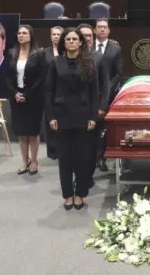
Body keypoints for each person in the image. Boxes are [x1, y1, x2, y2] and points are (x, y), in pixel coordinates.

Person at [45, 28, 99, 210]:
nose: (71, 42)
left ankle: (81, 193)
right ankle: (68, 194)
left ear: (81, 42)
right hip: (62, 117)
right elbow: (49, 91)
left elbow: (94, 92)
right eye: (67, 39)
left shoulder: (89, 63)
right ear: (63, 42)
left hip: (84, 117)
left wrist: (93, 116)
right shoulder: (55, 63)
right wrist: (51, 116)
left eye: (75, 39)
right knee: (65, 158)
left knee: (83, 158)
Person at [7, 25, 47, 176]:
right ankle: (25, 161)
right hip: (16, 97)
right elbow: (7, 77)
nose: (21, 35)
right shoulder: (11, 53)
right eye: (19, 33)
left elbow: (42, 77)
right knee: (21, 132)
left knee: (32, 132)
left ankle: (35, 161)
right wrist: (15, 93)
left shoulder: (39, 54)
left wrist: (28, 94)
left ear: (31, 36)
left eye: (24, 33)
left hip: (34, 97)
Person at [78, 23, 110, 188]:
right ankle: (78, 175)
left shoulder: (99, 57)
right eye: (83, 36)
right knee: (76, 146)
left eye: (90, 35)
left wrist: (102, 107)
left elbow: (105, 85)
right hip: (74, 110)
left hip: (93, 108)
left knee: (90, 146)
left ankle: (87, 175)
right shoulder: (67, 57)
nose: (87, 39)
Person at [93, 18, 123, 172]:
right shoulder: (88, 46)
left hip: (108, 94)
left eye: (105, 27)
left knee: (104, 127)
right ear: (94, 30)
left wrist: (107, 88)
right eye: (99, 27)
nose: (102, 30)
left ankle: (101, 157)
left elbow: (118, 73)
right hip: (90, 94)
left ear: (109, 31)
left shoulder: (115, 48)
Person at [43, 26, 63, 160]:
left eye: (58, 34)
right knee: (49, 120)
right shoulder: (44, 53)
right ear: (50, 36)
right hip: (48, 89)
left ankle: (63, 149)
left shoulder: (67, 51)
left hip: (63, 90)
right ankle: (53, 151)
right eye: (53, 34)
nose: (56, 36)